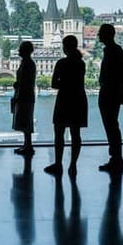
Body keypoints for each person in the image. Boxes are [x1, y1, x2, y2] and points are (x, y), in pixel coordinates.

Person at [44, 35, 88, 178]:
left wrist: (65, 84)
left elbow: (54, 84)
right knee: (76, 134)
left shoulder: (61, 63)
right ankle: (73, 164)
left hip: (64, 99)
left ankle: (58, 163)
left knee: (59, 133)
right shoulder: (81, 63)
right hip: (79, 99)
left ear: (65, 47)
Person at [96, 24, 123, 174]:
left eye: (100, 33)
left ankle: (116, 158)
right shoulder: (116, 51)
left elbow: (120, 74)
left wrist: (117, 93)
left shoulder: (112, 52)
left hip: (109, 94)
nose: (98, 35)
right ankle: (116, 158)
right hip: (111, 93)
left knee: (111, 127)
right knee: (112, 126)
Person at [11, 41, 36, 155]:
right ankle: (27, 145)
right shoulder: (27, 63)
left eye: (20, 49)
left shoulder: (27, 64)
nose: (19, 51)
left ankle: (28, 146)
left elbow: (24, 82)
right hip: (26, 95)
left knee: (25, 120)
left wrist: (17, 94)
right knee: (26, 120)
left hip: (24, 96)